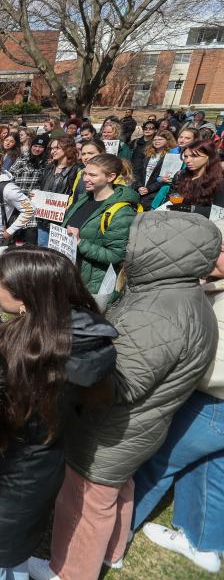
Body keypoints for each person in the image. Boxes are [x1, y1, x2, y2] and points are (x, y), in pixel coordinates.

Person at [30, 212, 221, 580]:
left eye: (137, 244)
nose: (129, 250)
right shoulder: (181, 296)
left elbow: (119, 384)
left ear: (164, 252)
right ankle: (113, 552)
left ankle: (69, 571)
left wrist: (72, 355)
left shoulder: (159, 312)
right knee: (116, 490)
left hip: (112, 428)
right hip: (142, 427)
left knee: (85, 501)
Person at [0, 246, 118, 580]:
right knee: (9, 564)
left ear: (25, 298)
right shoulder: (82, 338)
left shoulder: (12, 354)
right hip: (36, 480)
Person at [128, 217, 224, 574]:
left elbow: (213, 367)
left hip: (211, 402)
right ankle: (203, 541)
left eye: (222, 251)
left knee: (159, 459)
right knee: (211, 467)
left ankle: (113, 536)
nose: (213, 255)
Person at [60, 153, 139, 295]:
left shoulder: (122, 212)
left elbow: (116, 255)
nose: (85, 179)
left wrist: (79, 243)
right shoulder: (84, 199)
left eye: (93, 175)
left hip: (92, 286)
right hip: (70, 277)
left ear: (110, 177)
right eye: (85, 174)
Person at [37, 137, 81, 246]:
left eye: (57, 148)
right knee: (43, 251)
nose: (53, 151)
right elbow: (42, 188)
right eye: (51, 148)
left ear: (68, 149)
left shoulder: (76, 170)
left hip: (62, 223)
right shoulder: (49, 168)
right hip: (43, 220)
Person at [8, 134, 50, 245]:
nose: (37, 149)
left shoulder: (46, 164)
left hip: (33, 207)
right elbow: (10, 177)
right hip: (17, 204)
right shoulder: (22, 158)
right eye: (35, 146)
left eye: (40, 147)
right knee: (15, 239)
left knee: (30, 240)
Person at [169, 140, 224, 216]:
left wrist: (189, 208)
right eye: (186, 156)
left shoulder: (219, 181)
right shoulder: (181, 175)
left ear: (209, 156)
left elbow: (219, 212)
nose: (187, 160)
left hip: (202, 224)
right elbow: (172, 195)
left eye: (194, 156)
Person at [135, 129, 177, 208]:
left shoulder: (171, 156)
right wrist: (139, 186)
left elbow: (165, 179)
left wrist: (149, 189)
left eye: (160, 139)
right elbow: (137, 172)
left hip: (155, 193)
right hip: (141, 190)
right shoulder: (146, 154)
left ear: (168, 141)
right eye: (155, 139)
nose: (156, 141)